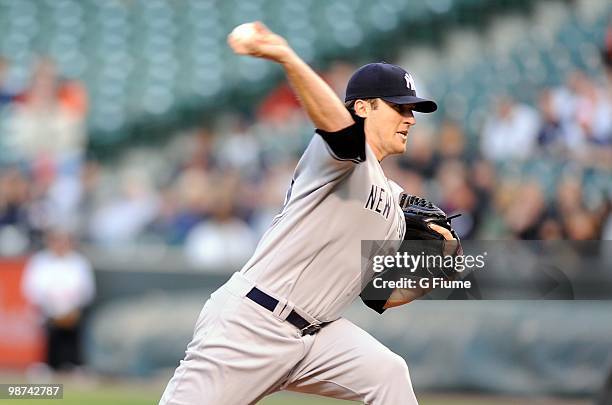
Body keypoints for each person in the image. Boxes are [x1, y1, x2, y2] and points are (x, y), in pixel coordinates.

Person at [159, 22, 453, 405]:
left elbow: (378, 295)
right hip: (252, 324)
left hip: (317, 337)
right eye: (399, 107)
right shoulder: (342, 159)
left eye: (412, 109)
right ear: (363, 107)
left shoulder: (396, 204)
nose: (410, 118)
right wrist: (286, 56)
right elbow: (342, 132)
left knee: (389, 374)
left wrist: (436, 274)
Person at [21, 228, 96, 371]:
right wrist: (52, 308)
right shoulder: (40, 261)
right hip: (47, 312)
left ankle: (75, 365)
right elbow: (32, 288)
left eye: (64, 240)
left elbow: (86, 290)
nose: (60, 244)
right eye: (56, 240)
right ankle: (47, 365)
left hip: (73, 312)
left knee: (72, 335)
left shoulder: (79, 262)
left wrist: (71, 309)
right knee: (50, 336)